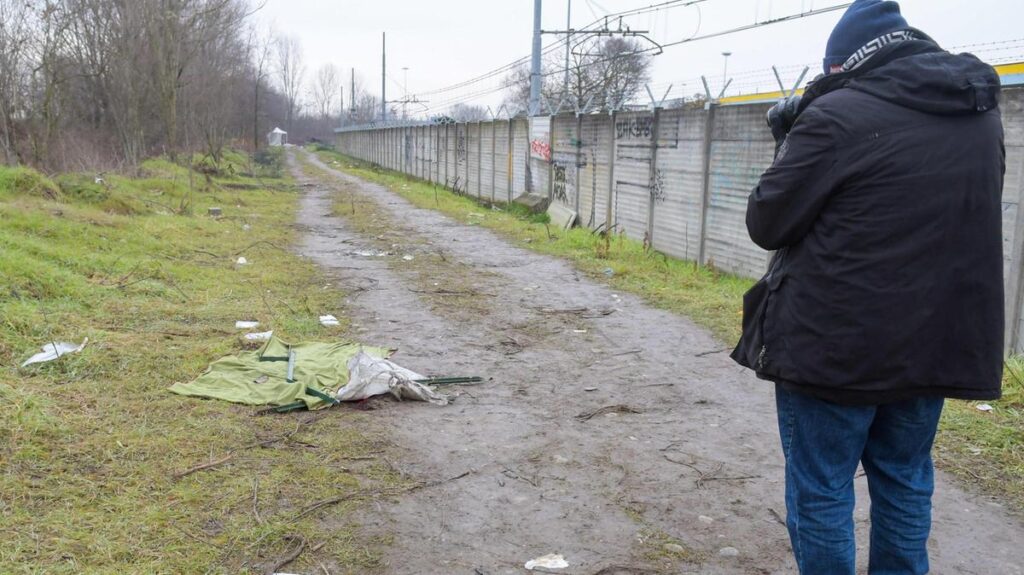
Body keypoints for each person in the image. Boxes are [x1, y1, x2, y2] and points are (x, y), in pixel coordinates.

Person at [729, 1, 1005, 573]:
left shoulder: (836, 116)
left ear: (843, 64)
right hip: (933, 342)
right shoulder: (979, 113)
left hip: (835, 348)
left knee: (823, 487)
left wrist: (794, 134)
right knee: (905, 481)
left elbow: (767, 222)